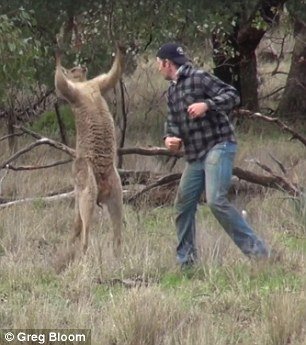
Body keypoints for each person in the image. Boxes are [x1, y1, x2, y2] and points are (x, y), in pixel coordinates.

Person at [156, 42, 269, 267]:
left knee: (216, 200)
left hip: (219, 145)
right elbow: (172, 125)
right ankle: (187, 262)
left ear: (167, 63)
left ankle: (260, 255)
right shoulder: (172, 91)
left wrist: (206, 104)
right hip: (195, 155)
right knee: (183, 204)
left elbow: (232, 95)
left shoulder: (199, 77)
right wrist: (169, 139)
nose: (158, 68)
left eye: (159, 64)